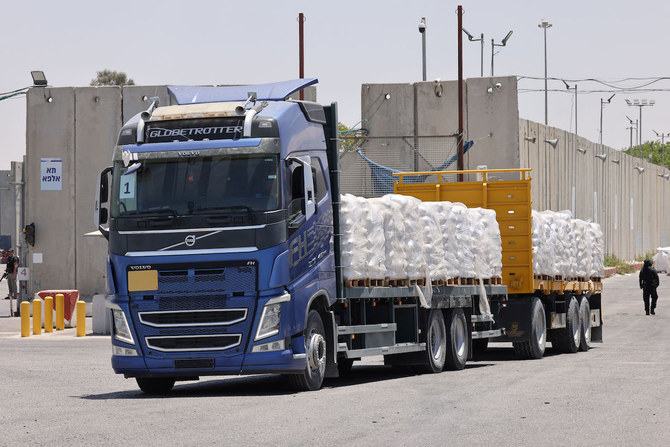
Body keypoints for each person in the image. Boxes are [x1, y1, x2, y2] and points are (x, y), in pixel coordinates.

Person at [5, 249, 18, 316]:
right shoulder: (9, 258)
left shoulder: (14, 258)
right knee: (9, 284)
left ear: (13, 252)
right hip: (9, 273)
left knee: (13, 284)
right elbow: (7, 265)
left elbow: (15, 266)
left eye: (11, 252)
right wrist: (5, 270)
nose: (10, 253)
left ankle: (15, 295)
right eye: (9, 252)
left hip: (13, 273)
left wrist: (14, 274)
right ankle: (10, 295)